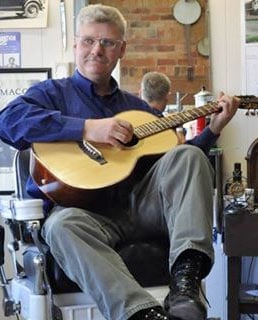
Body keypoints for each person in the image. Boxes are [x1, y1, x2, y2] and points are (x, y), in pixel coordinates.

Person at [0, 4, 239, 320]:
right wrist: (88, 128)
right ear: (76, 45)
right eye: (88, 41)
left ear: (121, 49)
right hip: (83, 216)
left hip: (138, 210)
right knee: (59, 225)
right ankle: (143, 314)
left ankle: (186, 283)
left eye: (107, 43)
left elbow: (181, 164)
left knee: (189, 154)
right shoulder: (50, 94)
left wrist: (214, 129)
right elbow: (8, 121)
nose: (96, 50)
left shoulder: (137, 109)